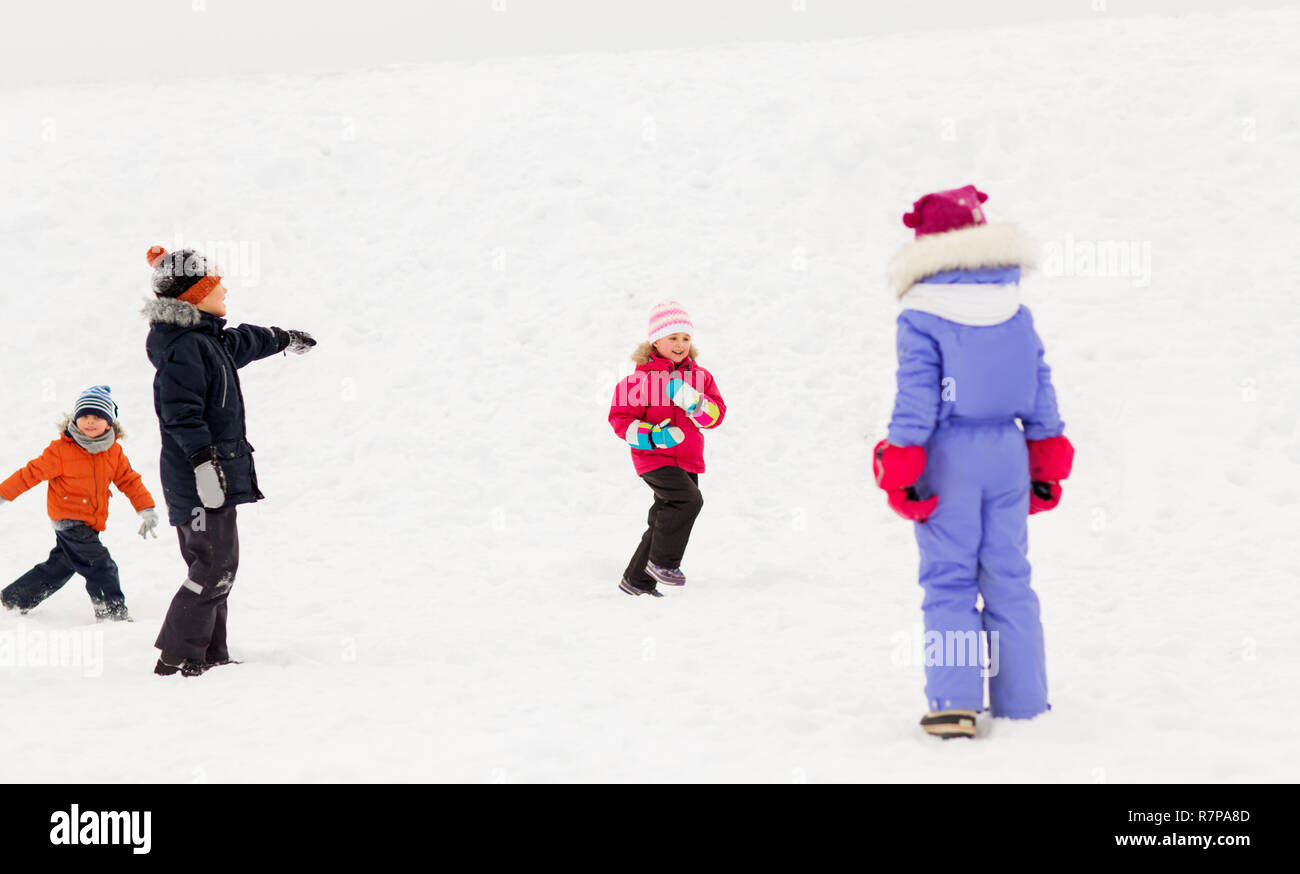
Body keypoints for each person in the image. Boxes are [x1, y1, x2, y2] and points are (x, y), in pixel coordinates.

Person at [874, 185, 1074, 738]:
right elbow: (1040, 388)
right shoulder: (1016, 309)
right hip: (1008, 455)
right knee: (1010, 575)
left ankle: (955, 702)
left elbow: (917, 399)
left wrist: (902, 462)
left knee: (950, 580)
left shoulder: (922, 316)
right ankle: (1024, 697)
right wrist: (1045, 457)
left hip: (948, 456)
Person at [142, 245, 316, 676]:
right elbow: (179, 414)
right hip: (198, 479)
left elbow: (242, 341)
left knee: (216, 565)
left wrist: (281, 339)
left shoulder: (207, 342)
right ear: (193, 296)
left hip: (214, 475)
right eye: (215, 284)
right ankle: (178, 656)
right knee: (213, 566)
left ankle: (209, 654)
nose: (224, 288)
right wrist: (203, 464)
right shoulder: (185, 350)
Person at [0, 385, 158, 621]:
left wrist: (146, 509)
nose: (90, 422)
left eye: (97, 417)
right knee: (100, 564)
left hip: (91, 521)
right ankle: (112, 612)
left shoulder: (113, 452)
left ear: (109, 423)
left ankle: (14, 599)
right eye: (84, 416)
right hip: (68, 519)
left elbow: (129, 481)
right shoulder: (61, 450)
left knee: (62, 565)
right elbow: (29, 474)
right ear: (75, 419)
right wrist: (3, 494)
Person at [608, 301, 726, 597]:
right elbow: (620, 420)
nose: (680, 344)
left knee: (664, 516)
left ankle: (636, 582)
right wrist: (655, 437)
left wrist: (696, 404)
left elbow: (716, 416)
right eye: (672, 337)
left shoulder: (701, 378)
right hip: (654, 459)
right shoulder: (637, 382)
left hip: (686, 459)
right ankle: (663, 564)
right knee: (689, 501)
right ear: (655, 341)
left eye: (685, 338)